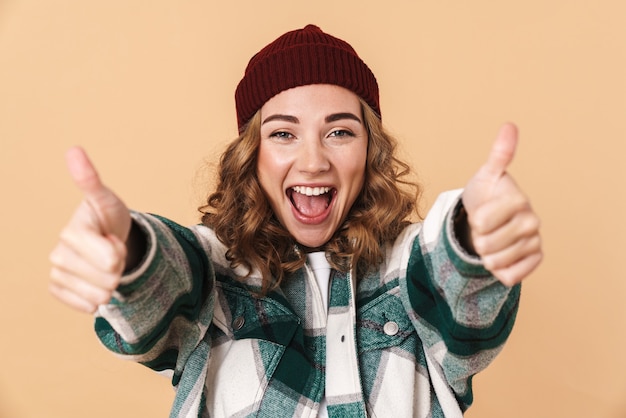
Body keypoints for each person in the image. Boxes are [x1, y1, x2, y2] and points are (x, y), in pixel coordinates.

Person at [49, 24, 542, 418]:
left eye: (340, 132)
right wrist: (128, 252)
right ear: (251, 155)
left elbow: (448, 274)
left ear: (369, 150)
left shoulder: (405, 268)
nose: (313, 162)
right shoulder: (215, 273)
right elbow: (168, 276)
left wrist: (475, 237)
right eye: (283, 133)